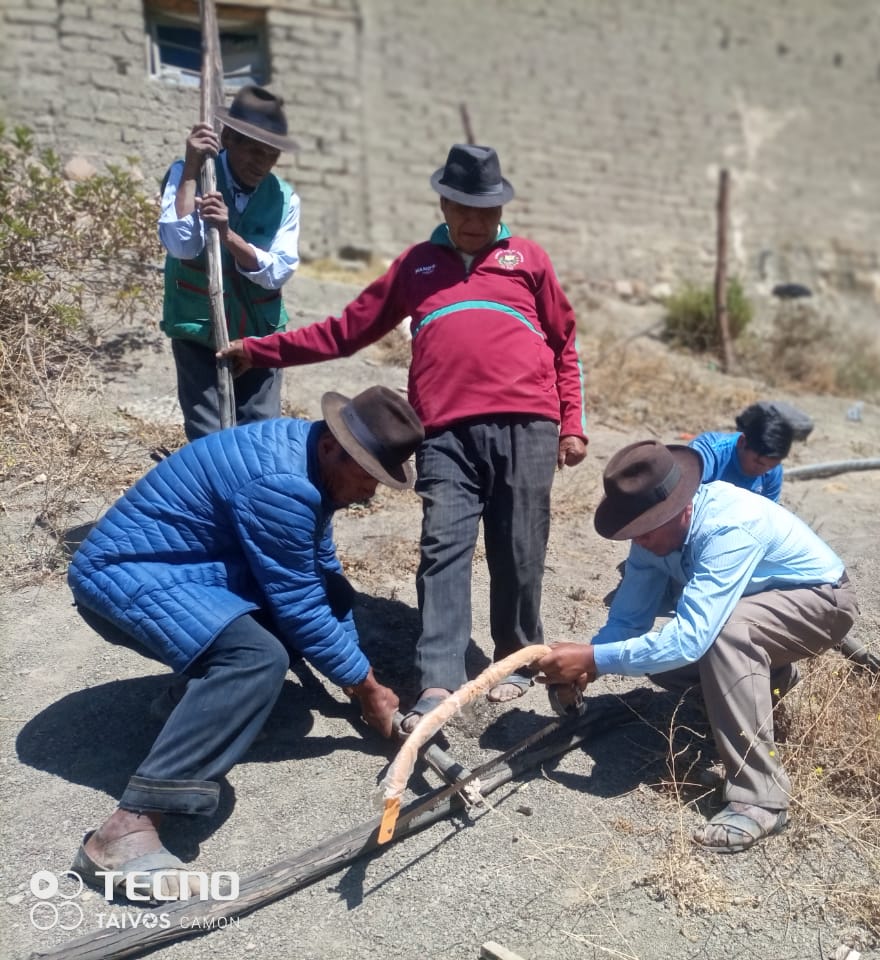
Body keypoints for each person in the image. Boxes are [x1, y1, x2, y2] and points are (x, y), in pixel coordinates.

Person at [219, 144, 587, 729]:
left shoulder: (528, 259)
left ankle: (517, 659)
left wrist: (572, 423)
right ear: (443, 202)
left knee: (520, 548)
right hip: (441, 433)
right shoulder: (416, 265)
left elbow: (565, 342)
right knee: (442, 549)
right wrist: (261, 350)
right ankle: (438, 679)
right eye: (462, 207)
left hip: (527, 425)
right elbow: (346, 331)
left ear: (500, 209)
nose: (474, 221)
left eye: (485, 210)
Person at [67, 386, 423, 899]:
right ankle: (123, 832)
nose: (369, 493)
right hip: (127, 572)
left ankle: (187, 708)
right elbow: (300, 606)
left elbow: (322, 578)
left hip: (193, 565)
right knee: (257, 658)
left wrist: (355, 677)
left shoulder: (306, 458)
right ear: (332, 448)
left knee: (300, 614)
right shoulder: (283, 485)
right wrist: (366, 687)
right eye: (367, 476)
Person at [536, 440, 859, 853]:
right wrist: (591, 664)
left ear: (681, 507)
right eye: (635, 531)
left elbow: (690, 640)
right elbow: (628, 620)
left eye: (649, 529)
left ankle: (762, 800)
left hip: (823, 602)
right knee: (652, 651)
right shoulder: (650, 536)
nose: (642, 541)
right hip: (761, 607)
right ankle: (772, 678)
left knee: (725, 634)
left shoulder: (727, 526)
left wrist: (594, 656)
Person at [160, 85, 301, 441]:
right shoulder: (187, 174)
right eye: (253, 150)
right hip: (198, 328)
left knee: (260, 436)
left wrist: (229, 236)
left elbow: (279, 271)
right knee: (208, 438)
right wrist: (192, 170)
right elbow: (180, 245)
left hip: (259, 335)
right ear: (228, 139)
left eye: (271, 155)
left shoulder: (285, 197)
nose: (261, 163)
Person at [688, 400, 811, 502]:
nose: (763, 470)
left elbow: (767, 514)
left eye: (771, 465)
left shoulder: (773, 469)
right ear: (742, 442)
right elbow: (684, 503)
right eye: (758, 462)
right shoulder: (708, 453)